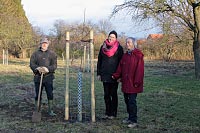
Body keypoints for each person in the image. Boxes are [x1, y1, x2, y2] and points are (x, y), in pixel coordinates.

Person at [112, 37, 144, 128]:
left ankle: (134, 120)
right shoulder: (125, 56)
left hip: (134, 84)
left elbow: (140, 70)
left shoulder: (138, 55)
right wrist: (116, 75)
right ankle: (130, 118)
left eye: (129, 42)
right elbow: (120, 67)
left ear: (134, 44)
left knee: (132, 102)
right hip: (126, 83)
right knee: (127, 101)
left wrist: (137, 82)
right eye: (126, 43)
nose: (127, 44)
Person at [97, 30, 124, 119]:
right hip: (105, 74)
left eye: (113, 37)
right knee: (106, 95)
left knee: (113, 94)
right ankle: (107, 112)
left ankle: (113, 113)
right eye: (110, 36)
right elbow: (99, 61)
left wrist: (120, 76)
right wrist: (99, 73)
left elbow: (122, 63)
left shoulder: (119, 48)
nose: (111, 38)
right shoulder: (103, 47)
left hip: (114, 75)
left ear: (116, 38)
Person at [30, 37, 57, 116]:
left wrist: (47, 69)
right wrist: (37, 68)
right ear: (40, 44)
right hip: (38, 77)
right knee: (38, 94)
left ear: (48, 44)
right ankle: (37, 110)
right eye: (43, 43)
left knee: (50, 93)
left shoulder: (52, 54)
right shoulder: (35, 54)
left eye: (46, 43)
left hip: (48, 77)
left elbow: (54, 65)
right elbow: (32, 64)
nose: (44, 44)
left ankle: (50, 110)